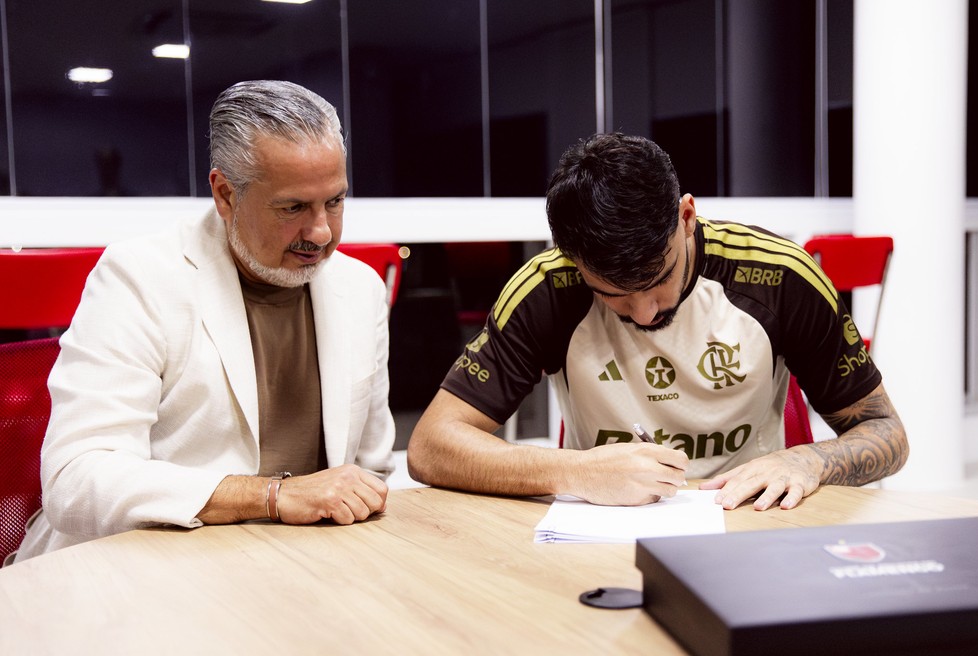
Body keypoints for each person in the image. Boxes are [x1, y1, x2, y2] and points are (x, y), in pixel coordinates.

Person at [407, 132, 908, 511]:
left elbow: (886, 431)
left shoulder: (779, 277)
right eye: (613, 295)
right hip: (601, 527)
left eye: (659, 278)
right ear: (571, 258)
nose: (645, 313)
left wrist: (808, 459)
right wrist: (575, 471)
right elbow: (430, 446)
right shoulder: (547, 290)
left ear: (686, 217)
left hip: (749, 519)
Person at [7, 80, 394, 565]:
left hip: (292, 565)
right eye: (293, 207)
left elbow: (370, 470)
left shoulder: (360, 289)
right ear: (225, 194)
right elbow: (77, 480)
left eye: (334, 202)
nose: (320, 233)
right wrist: (270, 497)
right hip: (141, 568)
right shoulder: (140, 278)